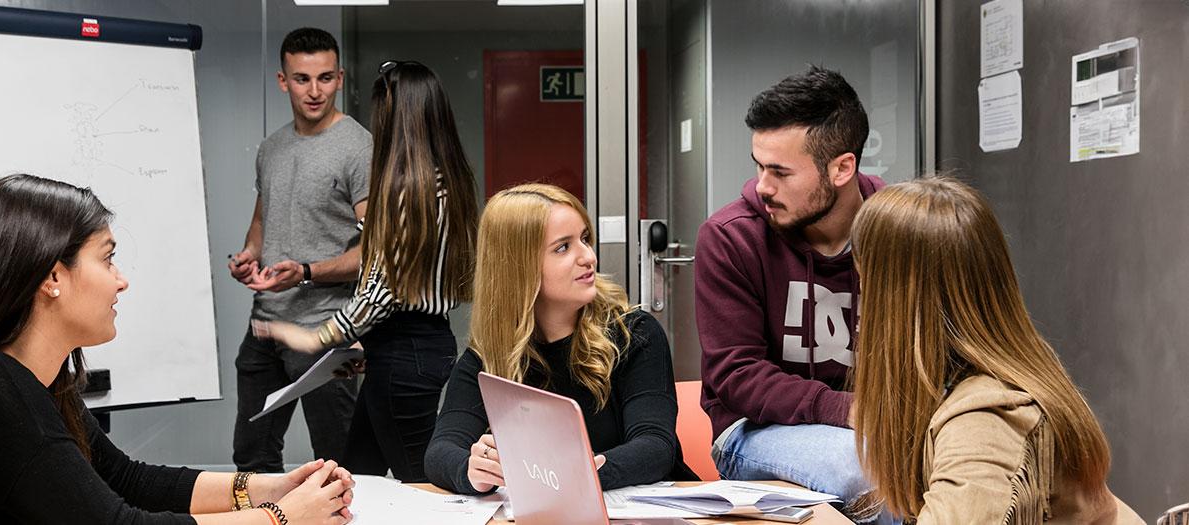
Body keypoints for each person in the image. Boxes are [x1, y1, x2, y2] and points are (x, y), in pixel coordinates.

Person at [0, 175, 355, 525]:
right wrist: (283, 518)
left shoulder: (29, 377)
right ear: (52, 277)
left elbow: (128, 480)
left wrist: (271, 486)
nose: (121, 281)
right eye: (107, 259)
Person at [850, 175, 1142, 524]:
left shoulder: (985, 415)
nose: (862, 296)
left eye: (866, 277)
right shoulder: (1000, 371)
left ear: (894, 296)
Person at [254, 61, 479, 483]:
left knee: (425, 485)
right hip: (413, 344)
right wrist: (368, 347)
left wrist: (312, 337)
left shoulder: (409, 192)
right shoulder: (444, 180)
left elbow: (381, 292)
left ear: (398, 119)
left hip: (405, 353)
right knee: (356, 474)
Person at [692, 65, 891, 522]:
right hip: (755, 430)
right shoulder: (729, 237)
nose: (763, 185)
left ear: (843, 167)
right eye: (759, 166)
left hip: (880, 423)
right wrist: (849, 410)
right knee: (871, 475)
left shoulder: (901, 233)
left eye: (780, 171)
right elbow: (736, 375)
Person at [424, 184, 696, 495]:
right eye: (563, 247)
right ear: (518, 267)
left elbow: (655, 446)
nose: (588, 257)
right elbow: (441, 452)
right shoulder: (487, 357)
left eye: (585, 239)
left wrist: (574, 475)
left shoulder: (635, 334)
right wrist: (474, 471)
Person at [226, 27, 371, 473]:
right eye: (302, 79)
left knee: (338, 463)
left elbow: (376, 253)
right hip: (265, 325)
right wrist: (251, 254)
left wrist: (307, 270)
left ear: (341, 78)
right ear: (283, 81)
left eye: (325, 78)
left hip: (325, 331)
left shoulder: (358, 147)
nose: (315, 91)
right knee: (251, 458)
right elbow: (263, 219)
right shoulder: (271, 147)